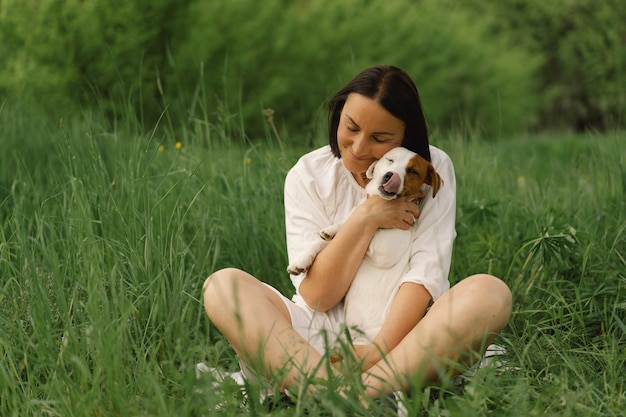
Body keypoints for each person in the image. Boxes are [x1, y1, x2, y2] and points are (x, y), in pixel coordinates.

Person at [202, 65, 512, 403]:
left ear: (406, 138)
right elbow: (319, 295)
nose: (360, 148)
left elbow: (425, 276)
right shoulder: (309, 175)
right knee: (222, 287)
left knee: (490, 293)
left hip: (404, 341)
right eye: (350, 128)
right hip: (315, 344)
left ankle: (354, 391)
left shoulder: (426, 171)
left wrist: (378, 350)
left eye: (380, 139)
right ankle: (332, 386)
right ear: (338, 116)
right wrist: (367, 216)